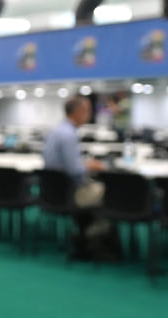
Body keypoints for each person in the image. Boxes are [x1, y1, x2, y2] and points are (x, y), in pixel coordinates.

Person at [44, 96, 116, 260]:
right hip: (71, 192)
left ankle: (86, 235)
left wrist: (85, 164)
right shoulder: (69, 134)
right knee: (110, 193)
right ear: (78, 112)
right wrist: (92, 167)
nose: (88, 115)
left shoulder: (56, 131)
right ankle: (100, 243)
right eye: (87, 111)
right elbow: (75, 171)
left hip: (53, 192)